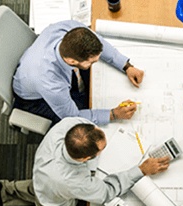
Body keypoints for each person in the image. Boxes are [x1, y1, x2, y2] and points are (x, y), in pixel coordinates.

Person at [0, 117, 170, 206]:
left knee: (38, 188)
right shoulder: (74, 181)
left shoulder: (70, 125)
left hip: (43, 177)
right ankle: (5, 194)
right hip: (56, 204)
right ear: (85, 159)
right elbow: (107, 192)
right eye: (101, 149)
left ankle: (3, 190)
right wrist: (141, 170)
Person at [12, 20, 145, 126]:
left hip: (37, 68)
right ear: (72, 61)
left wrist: (126, 66)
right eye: (92, 62)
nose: (95, 62)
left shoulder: (70, 29)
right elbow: (73, 116)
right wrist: (113, 114)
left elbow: (99, 43)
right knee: (81, 122)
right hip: (34, 100)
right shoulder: (51, 83)